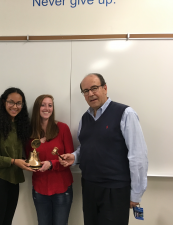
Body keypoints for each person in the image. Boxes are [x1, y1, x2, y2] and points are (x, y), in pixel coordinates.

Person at [60, 73, 148, 225]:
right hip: (89, 187)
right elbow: (87, 147)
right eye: (86, 91)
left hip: (115, 190)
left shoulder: (125, 114)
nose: (90, 94)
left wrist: (136, 194)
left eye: (94, 88)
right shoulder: (84, 119)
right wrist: (75, 156)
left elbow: (138, 156)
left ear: (105, 88)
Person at [0, 87, 33, 225]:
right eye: (11, 102)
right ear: (4, 102)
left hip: (13, 181)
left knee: (7, 222)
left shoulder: (20, 126)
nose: (15, 106)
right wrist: (13, 161)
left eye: (19, 103)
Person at [26, 94, 74, 225]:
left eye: (50, 105)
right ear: (37, 108)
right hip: (39, 187)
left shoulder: (63, 128)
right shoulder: (30, 132)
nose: (47, 108)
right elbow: (27, 158)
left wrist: (51, 164)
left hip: (62, 188)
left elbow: (70, 159)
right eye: (43, 104)